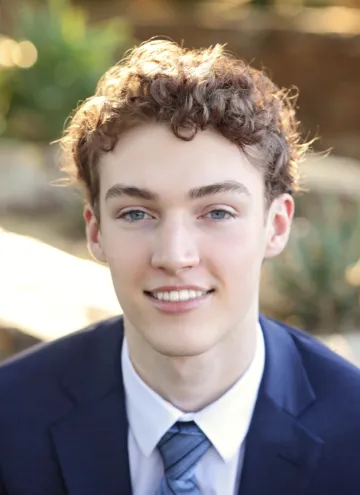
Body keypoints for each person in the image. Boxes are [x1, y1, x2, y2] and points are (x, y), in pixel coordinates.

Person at [0, 39, 360, 495]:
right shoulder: (9, 419)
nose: (173, 255)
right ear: (95, 232)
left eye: (217, 212)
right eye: (136, 213)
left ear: (276, 225)